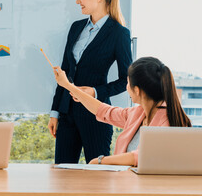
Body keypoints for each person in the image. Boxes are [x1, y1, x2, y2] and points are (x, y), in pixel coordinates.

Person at [48, 0, 132, 164]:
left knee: (99, 179)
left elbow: (126, 80)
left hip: (97, 116)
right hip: (67, 114)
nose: (77, 1)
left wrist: (94, 91)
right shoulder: (76, 28)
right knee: (62, 176)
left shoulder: (119, 33)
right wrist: (55, 113)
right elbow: (65, 74)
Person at [53, 57, 192, 166]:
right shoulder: (138, 113)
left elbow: (141, 156)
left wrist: (101, 161)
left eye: (127, 83)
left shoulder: (167, 121)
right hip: (126, 185)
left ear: (137, 90)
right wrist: (67, 85)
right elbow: (103, 110)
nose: (126, 88)